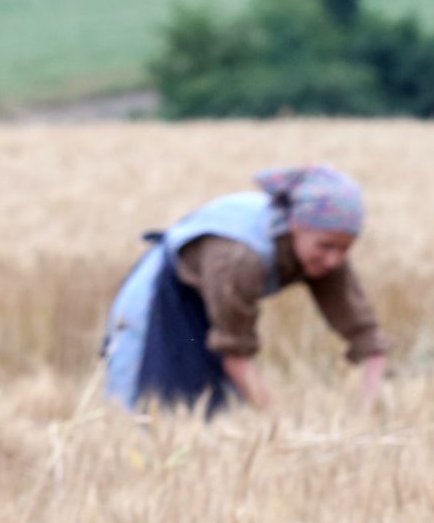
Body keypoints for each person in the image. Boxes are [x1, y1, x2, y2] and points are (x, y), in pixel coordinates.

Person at [101, 166, 387, 414]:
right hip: (163, 298)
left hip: (213, 299)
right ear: (296, 226)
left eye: (345, 248)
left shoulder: (322, 253)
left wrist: (367, 411)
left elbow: (367, 338)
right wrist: (279, 427)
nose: (334, 260)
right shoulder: (239, 256)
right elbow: (236, 355)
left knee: (216, 408)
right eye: (326, 246)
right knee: (148, 403)